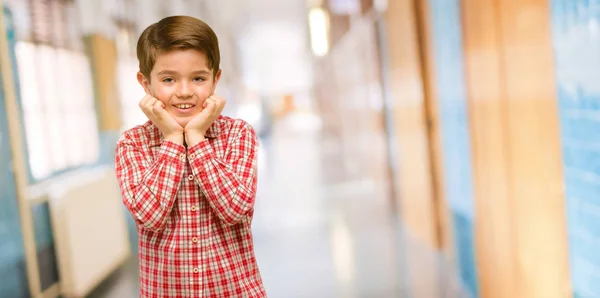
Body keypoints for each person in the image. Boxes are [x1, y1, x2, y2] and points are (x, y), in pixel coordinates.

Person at [114, 15, 266, 298]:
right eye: (168, 79)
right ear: (145, 84)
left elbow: (235, 209)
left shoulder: (237, 134)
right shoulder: (132, 143)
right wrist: (173, 139)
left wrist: (195, 138)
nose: (184, 92)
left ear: (215, 79)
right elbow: (149, 216)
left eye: (198, 78)